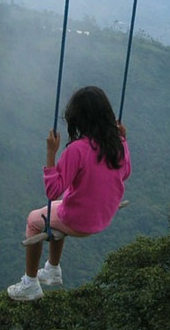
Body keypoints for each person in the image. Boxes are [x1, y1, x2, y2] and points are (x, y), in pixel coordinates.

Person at [7, 85, 130, 301]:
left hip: (80, 221)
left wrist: (50, 154)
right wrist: (125, 140)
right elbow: (125, 172)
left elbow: (53, 191)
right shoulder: (118, 143)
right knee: (57, 210)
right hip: (104, 216)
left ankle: (30, 284)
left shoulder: (77, 150)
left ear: (79, 119)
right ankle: (52, 270)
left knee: (34, 220)